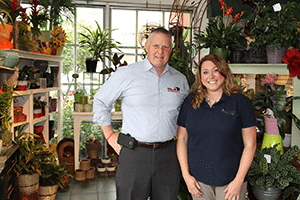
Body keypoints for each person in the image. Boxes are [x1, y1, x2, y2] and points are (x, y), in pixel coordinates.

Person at [93, 27, 189, 200]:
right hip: (134, 153)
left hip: (168, 155)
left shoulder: (180, 80)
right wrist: (110, 136)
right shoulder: (126, 74)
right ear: (146, 46)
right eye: (156, 46)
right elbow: (100, 101)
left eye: (165, 47)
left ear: (171, 50)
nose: (160, 51)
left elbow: (187, 115)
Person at [176, 54, 257, 200]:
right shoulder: (190, 102)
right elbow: (181, 139)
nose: (211, 76)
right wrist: (186, 176)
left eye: (215, 70)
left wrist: (238, 181)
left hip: (231, 182)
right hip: (199, 182)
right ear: (200, 77)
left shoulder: (240, 102)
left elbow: (250, 144)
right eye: (205, 72)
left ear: (224, 72)